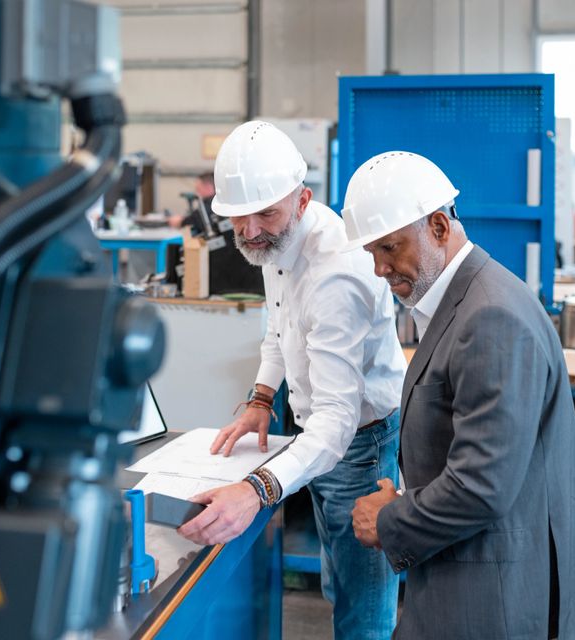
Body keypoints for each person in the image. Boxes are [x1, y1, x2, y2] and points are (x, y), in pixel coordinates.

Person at [346, 151, 575, 640]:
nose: (381, 268)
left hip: (493, 592)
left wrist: (391, 520)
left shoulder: (490, 317)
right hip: (473, 568)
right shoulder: (463, 301)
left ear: (439, 227)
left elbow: (482, 485)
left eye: (390, 247)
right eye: (372, 254)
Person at [177, 122, 407, 639]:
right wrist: (261, 396)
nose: (252, 229)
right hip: (324, 442)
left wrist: (257, 490)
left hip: (360, 445)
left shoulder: (337, 275)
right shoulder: (274, 243)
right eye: (239, 217)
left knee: (364, 613)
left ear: (302, 200)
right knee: (340, 586)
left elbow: (335, 424)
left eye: (267, 213)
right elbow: (279, 327)